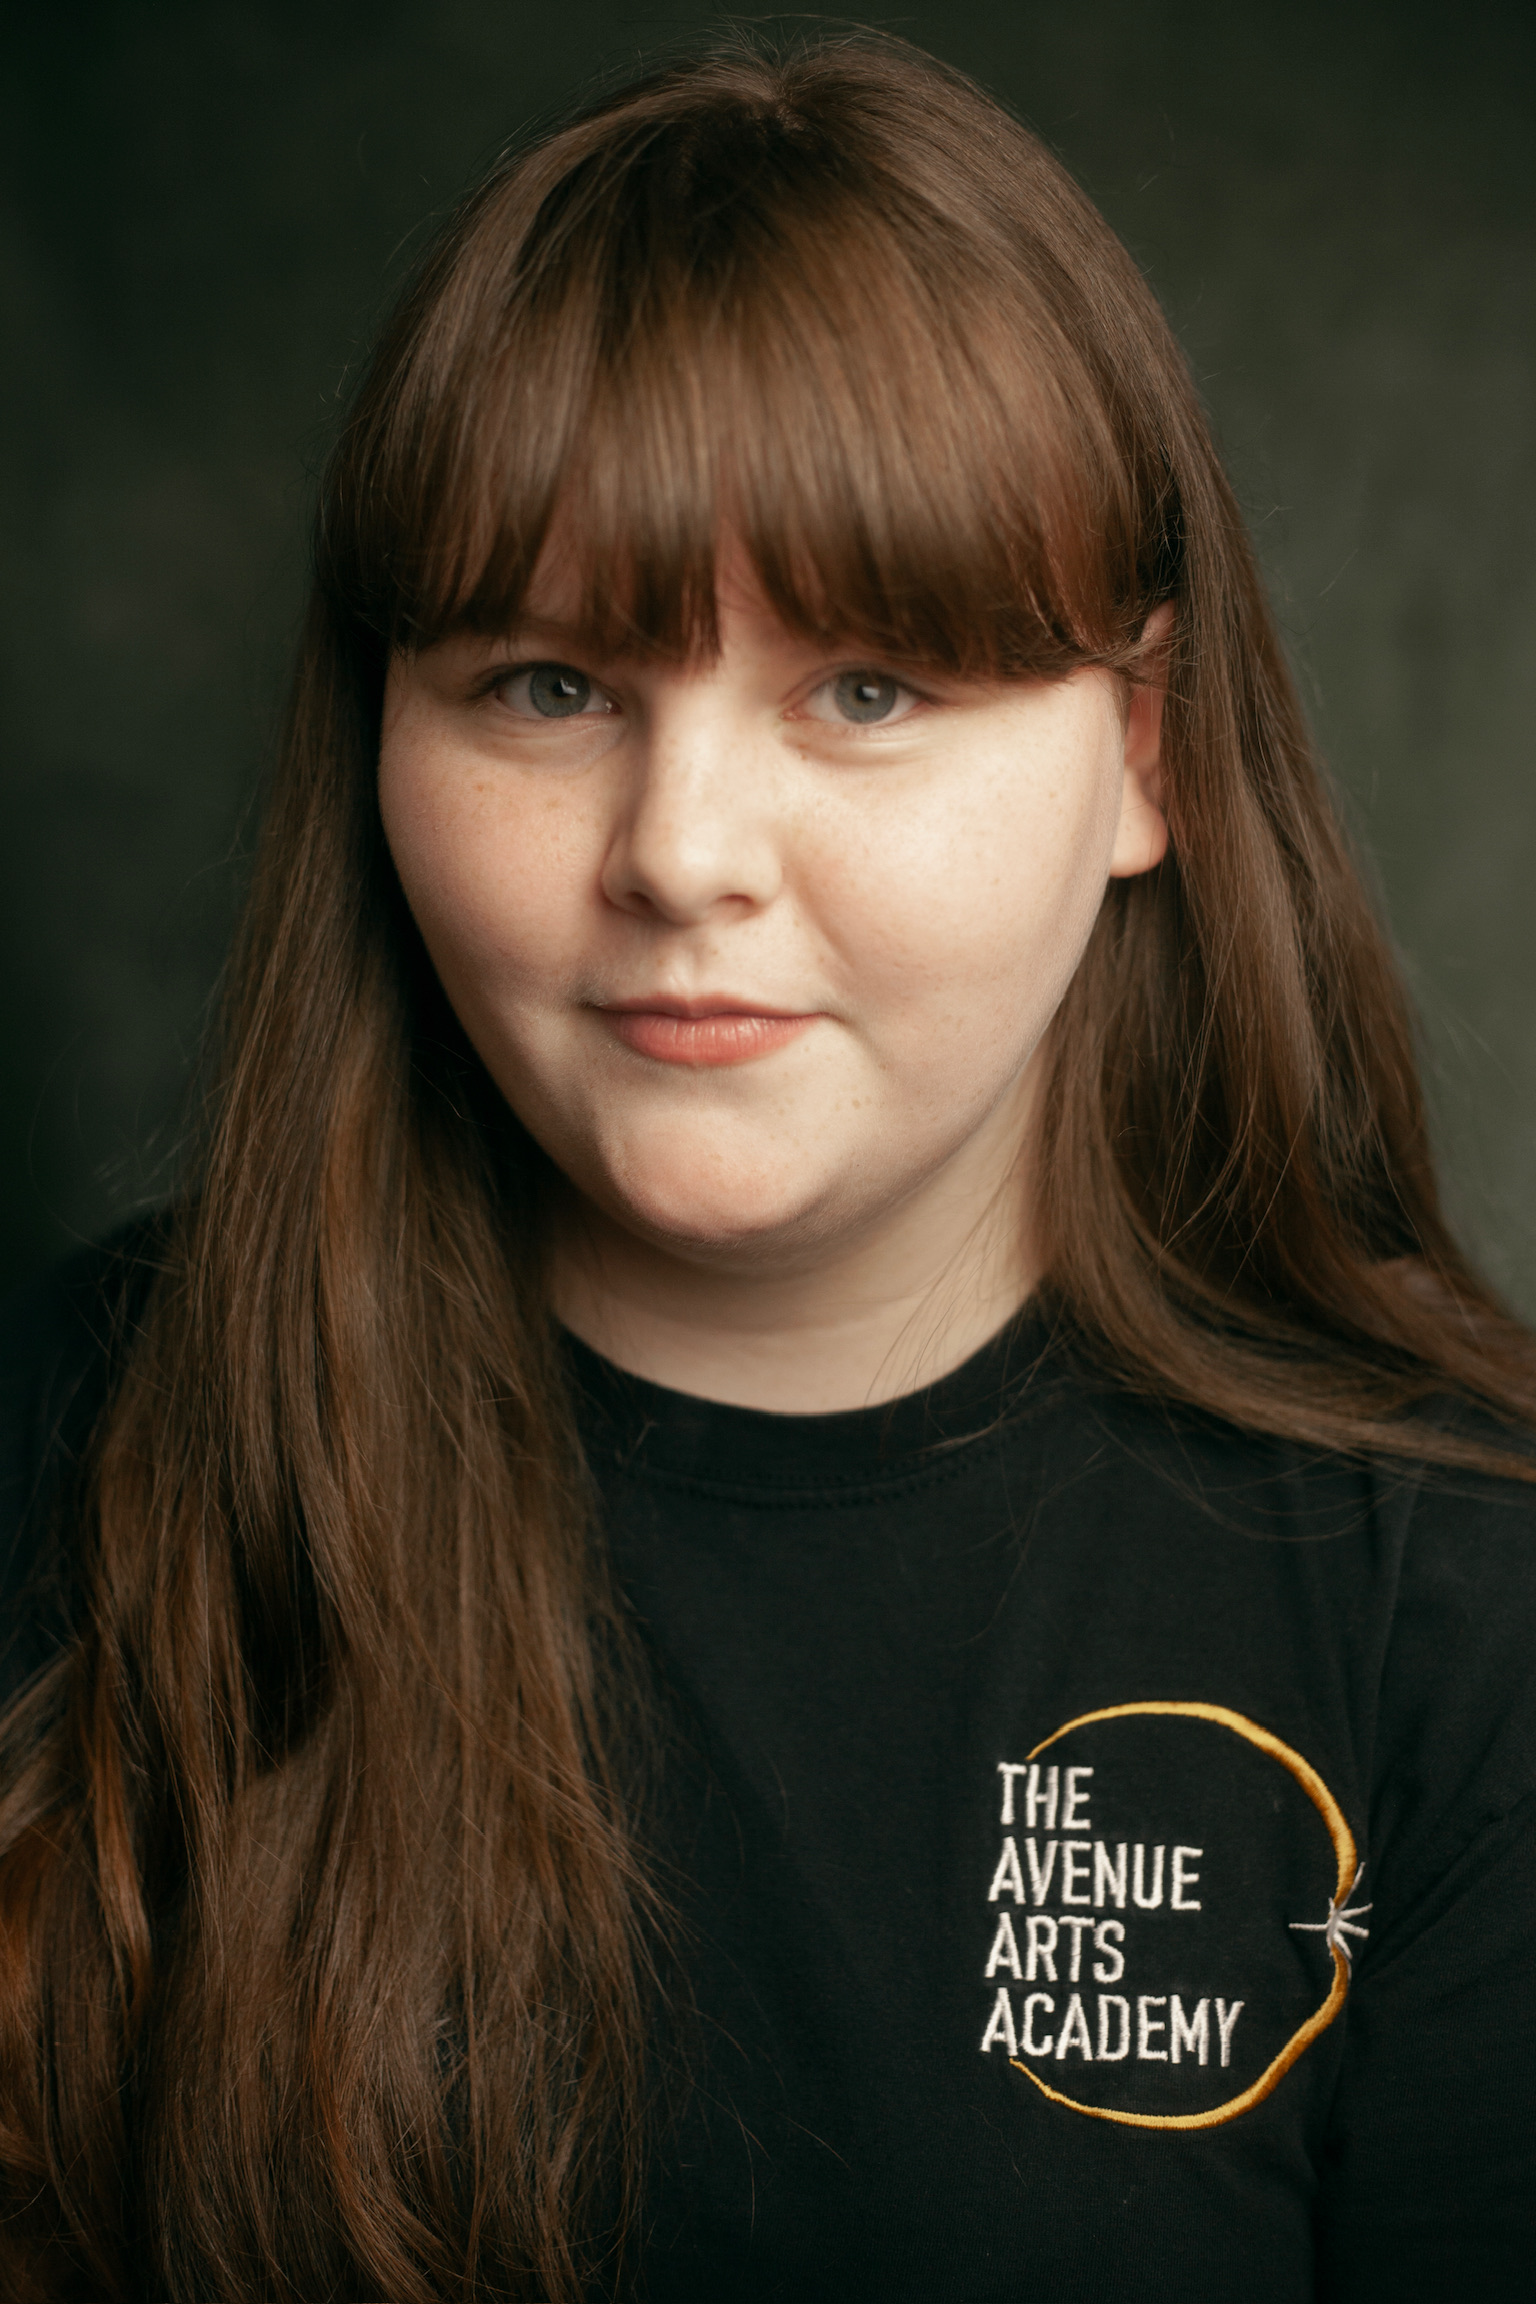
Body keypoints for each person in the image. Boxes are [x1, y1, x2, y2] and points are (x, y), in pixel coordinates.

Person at [1, 31, 1533, 2304]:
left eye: (869, 690)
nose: (682, 852)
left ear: (1145, 754)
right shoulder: (76, 1447)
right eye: (548, 685)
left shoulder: (1464, 1604)